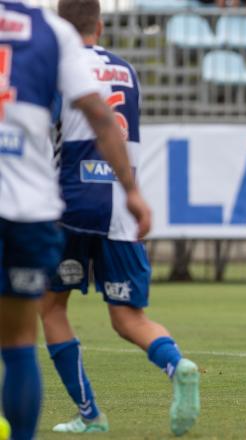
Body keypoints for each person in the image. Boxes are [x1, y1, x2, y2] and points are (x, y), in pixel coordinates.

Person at [38, 0, 200, 435]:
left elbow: (44, 126)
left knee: (51, 305)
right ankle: (177, 364)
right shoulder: (127, 70)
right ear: (101, 25)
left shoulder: (59, 66)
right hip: (123, 207)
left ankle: (91, 415)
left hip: (69, 200)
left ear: (59, 26)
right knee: (129, 316)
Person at [0, 1, 151, 439]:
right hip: (29, 207)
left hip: (36, 204)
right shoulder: (51, 32)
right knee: (18, 344)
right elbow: (102, 116)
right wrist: (133, 192)